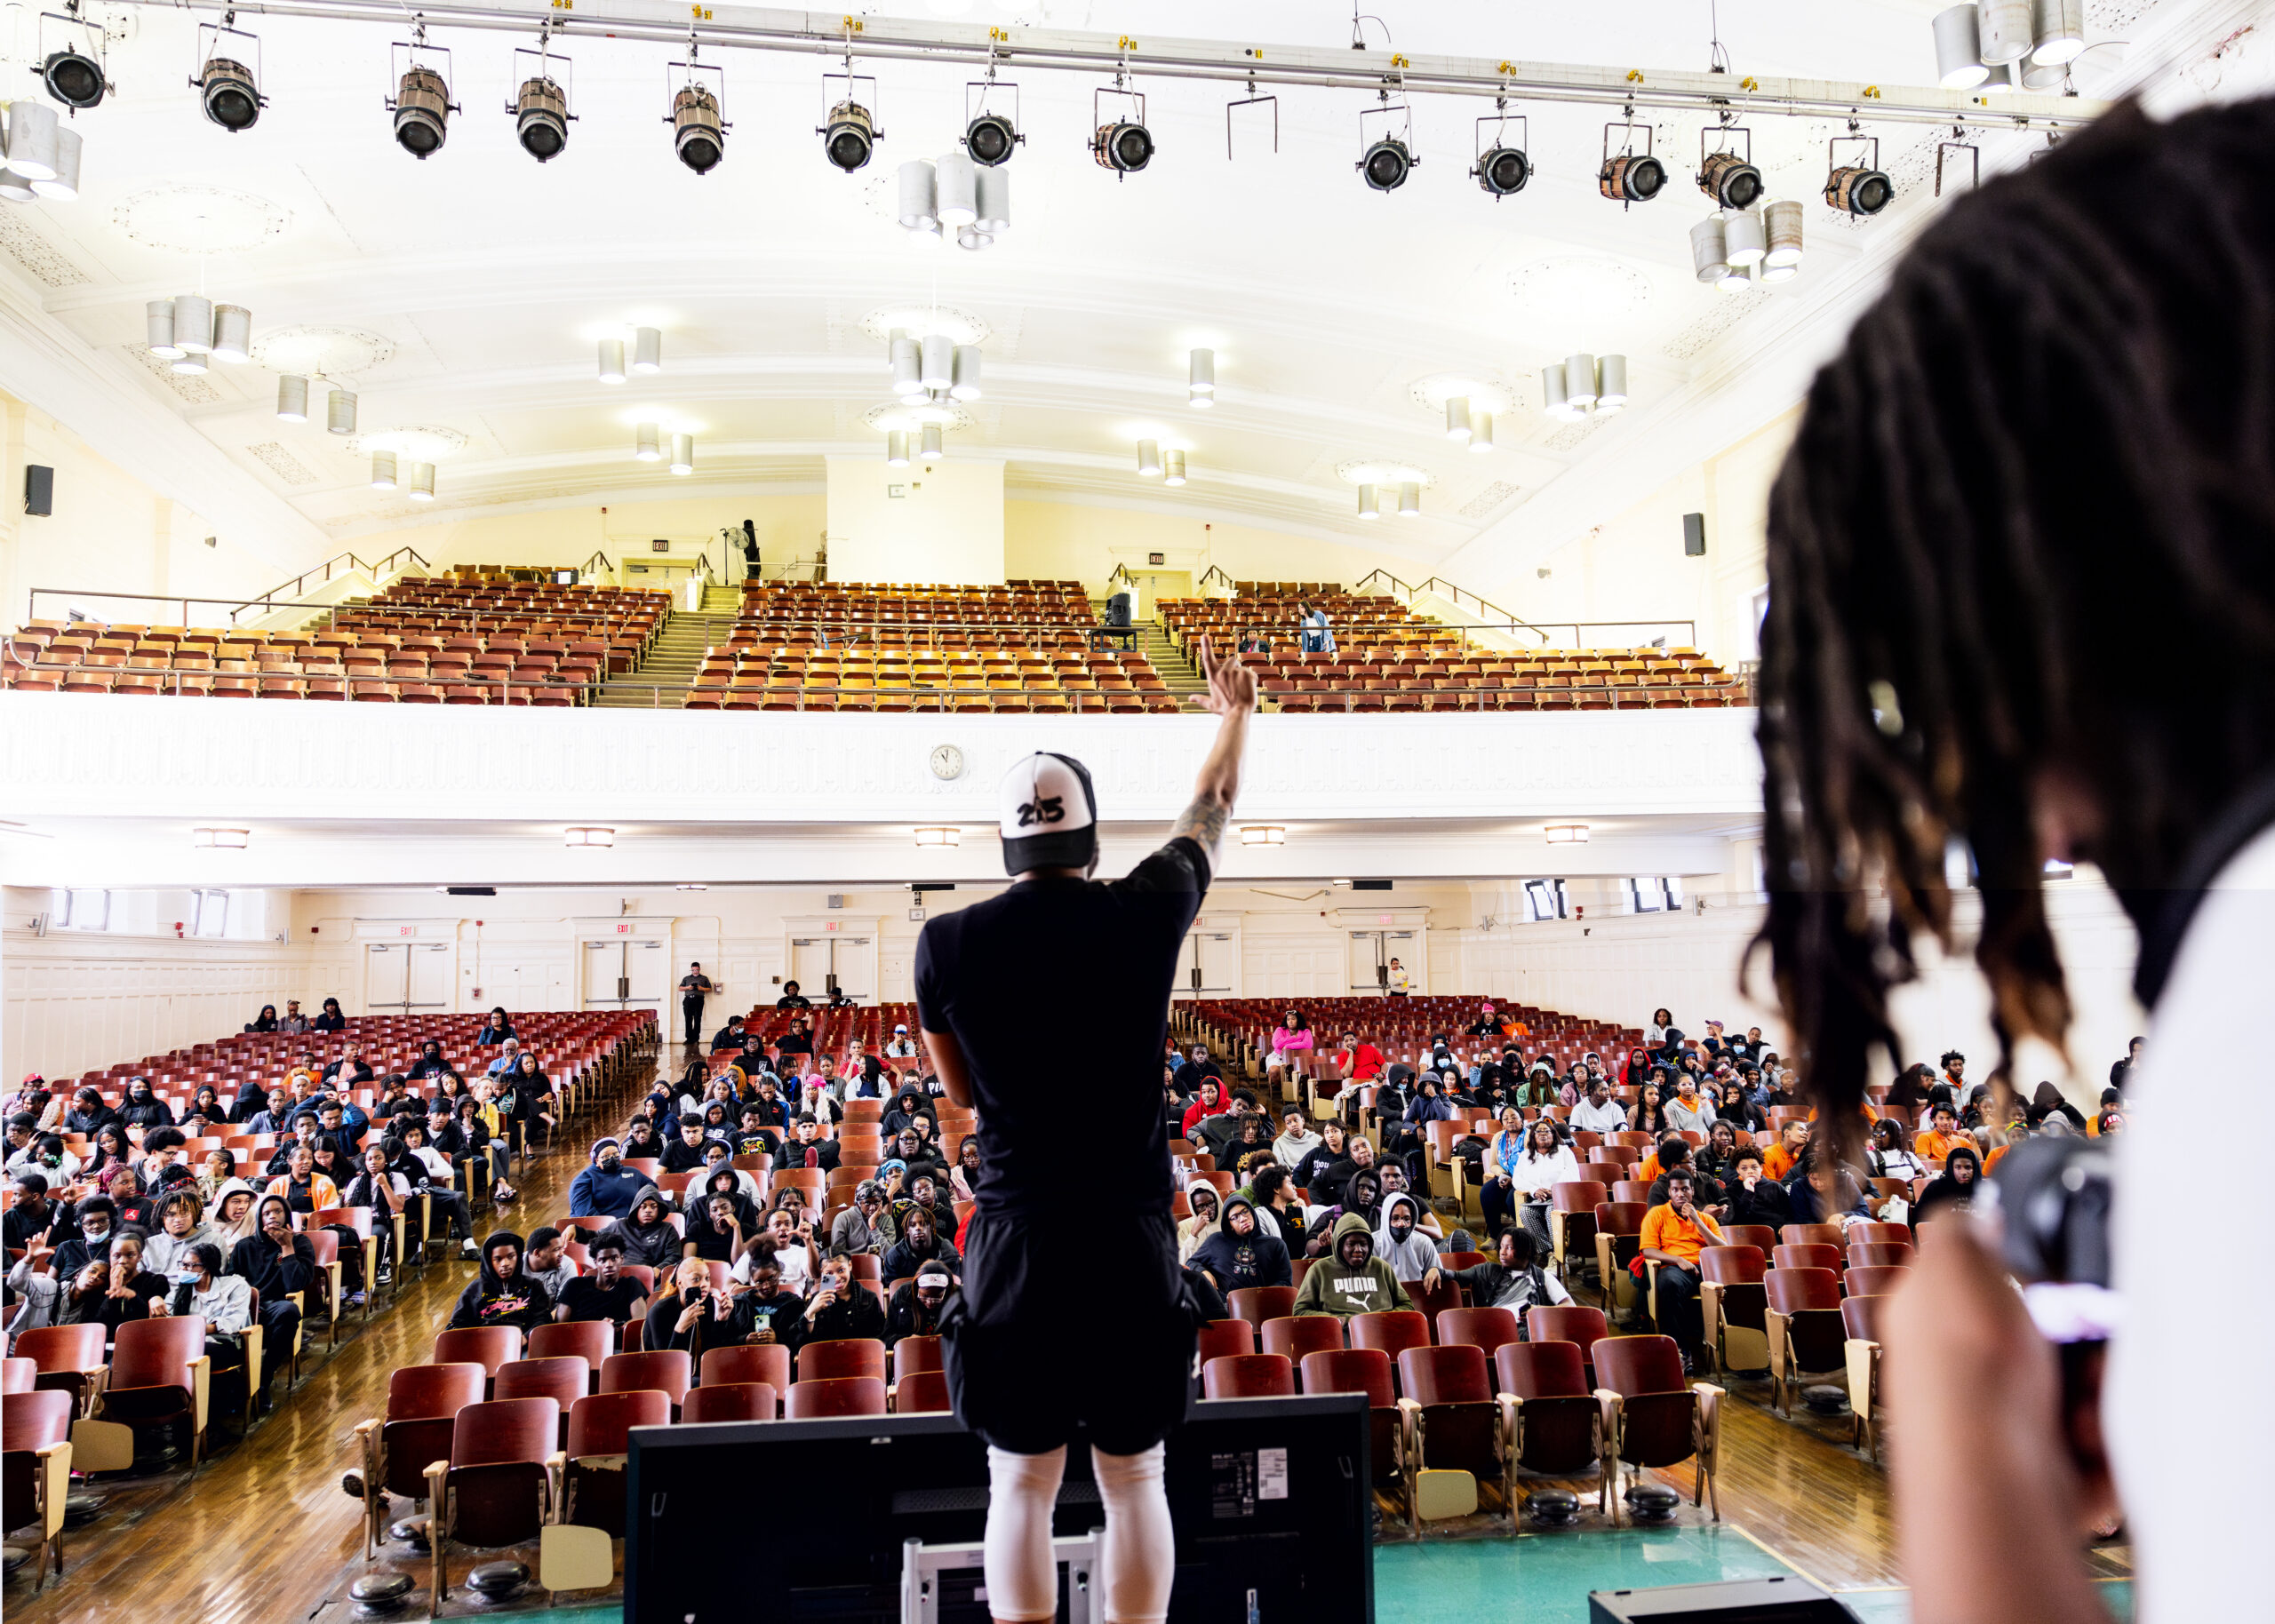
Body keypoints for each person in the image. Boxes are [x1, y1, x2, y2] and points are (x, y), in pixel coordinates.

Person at [915, 639, 1254, 1624]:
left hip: (1016, 1234)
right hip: (1127, 1231)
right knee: (1134, 1474)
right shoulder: (1143, 910)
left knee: (1017, 1482)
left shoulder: (947, 942)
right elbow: (1213, 807)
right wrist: (1236, 713)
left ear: (1005, 844)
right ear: (1092, 841)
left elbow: (963, 1096)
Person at [1637, 1170, 1721, 1365]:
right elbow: (1648, 1250)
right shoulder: (1656, 1214)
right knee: (1669, 1284)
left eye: (1685, 1189)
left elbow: (1721, 1249)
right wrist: (1678, 1260)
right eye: (1675, 1189)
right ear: (1669, 1192)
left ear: (1692, 1191)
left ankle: (1727, 1345)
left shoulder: (1705, 1219)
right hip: (1675, 1267)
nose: (1680, 1194)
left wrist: (1697, 1221)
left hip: (1705, 1266)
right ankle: (1679, 1348)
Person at [1421, 1226, 1571, 1320]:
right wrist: (1436, 1270)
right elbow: (1457, 1276)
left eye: (1509, 1248)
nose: (1502, 1253)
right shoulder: (1486, 1270)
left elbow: (1569, 1306)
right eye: (1501, 1247)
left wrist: (1540, 1311)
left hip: (1530, 1334)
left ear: (1526, 1251)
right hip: (1495, 1331)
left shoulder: (1542, 1277)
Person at [1293, 1212, 1413, 1320]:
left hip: (1383, 1331)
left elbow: (1407, 1305)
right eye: (1351, 1244)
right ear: (1340, 1245)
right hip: (1340, 1335)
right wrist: (1338, 1320)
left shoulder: (1382, 1267)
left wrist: (1384, 1318)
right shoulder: (1319, 1269)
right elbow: (1300, 1311)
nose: (1358, 1249)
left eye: (1363, 1244)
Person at [643, 1256, 753, 1355]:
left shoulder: (707, 1301)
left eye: (707, 1278)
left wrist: (721, 1319)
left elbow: (709, 1349)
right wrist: (680, 1329)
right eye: (696, 1279)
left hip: (695, 1371)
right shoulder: (660, 1311)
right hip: (658, 1372)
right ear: (679, 1283)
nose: (704, 1284)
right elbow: (666, 1364)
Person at [1186, 1193, 1290, 1295]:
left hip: (1265, 1305)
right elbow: (1192, 1262)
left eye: (1245, 1212)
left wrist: (1260, 1296)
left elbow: (1285, 1282)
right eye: (1235, 1217)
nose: (1243, 1218)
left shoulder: (1276, 1245)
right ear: (1230, 1224)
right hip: (1225, 1307)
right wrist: (1203, 1272)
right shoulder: (1216, 1241)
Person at [449, 1231, 554, 1333]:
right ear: (490, 1262)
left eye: (510, 1256)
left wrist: (525, 1339)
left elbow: (543, 1320)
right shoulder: (474, 1290)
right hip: (484, 1346)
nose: (505, 1263)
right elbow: (456, 1325)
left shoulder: (534, 1286)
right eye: (498, 1259)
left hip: (525, 1346)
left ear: (518, 1257)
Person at [788, 1253, 885, 1351]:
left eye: (841, 1270)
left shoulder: (869, 1297)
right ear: (823, 1273)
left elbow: (880, 1339)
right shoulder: (817, 1299)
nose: (837, 1278)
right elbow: (800, 1343)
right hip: (826, 1358)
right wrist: (810, 1314)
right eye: (829, 1274)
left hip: (861, 1358)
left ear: (850, 1266)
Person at [555, 1236, 648, 1325]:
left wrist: (615, 1329)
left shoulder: (631, 1285)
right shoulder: (574, 1285)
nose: (609, 1264)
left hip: (619, 1339)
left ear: (622, 1259)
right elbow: (560, 1326)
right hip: (579, 1339)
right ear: (596, 1263)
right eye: (603, 1260)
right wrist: (599, 1329)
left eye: (614, 1258)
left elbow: (638, 1322)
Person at [1369, 1190, 1437, 1284]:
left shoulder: (1424, 1242)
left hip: (1416, 1295)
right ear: (1386, 1219)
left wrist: (1435, 1270)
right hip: (1384, 1297)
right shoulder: (1372, 1243)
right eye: (1395, 1218)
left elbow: (1437, 1273)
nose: (1401, 1224)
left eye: (1407, 1219)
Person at [884, 1262, 955, 1346]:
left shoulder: (955, 1297)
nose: (930, 1302)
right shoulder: (903, 1294)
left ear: (946, 1292)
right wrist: (906, 1340)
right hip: (910, 1352)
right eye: (924, 1296)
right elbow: (887, 1337)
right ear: (917, 1289)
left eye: (937, 1297)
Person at [678, 963, 714, 1050]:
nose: (695, 972)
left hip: (699, 1000)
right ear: (691, 969)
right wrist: (688, 988)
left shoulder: (704, 978)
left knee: (698, 1019)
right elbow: (680, 988)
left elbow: (709, 989)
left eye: (697, 970)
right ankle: (689, 1039)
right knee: (688, 1019)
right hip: (688, 1000)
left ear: (699, 969)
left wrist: (701, 988)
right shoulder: (686, 978)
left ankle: (696, 1039)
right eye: (693, 970)